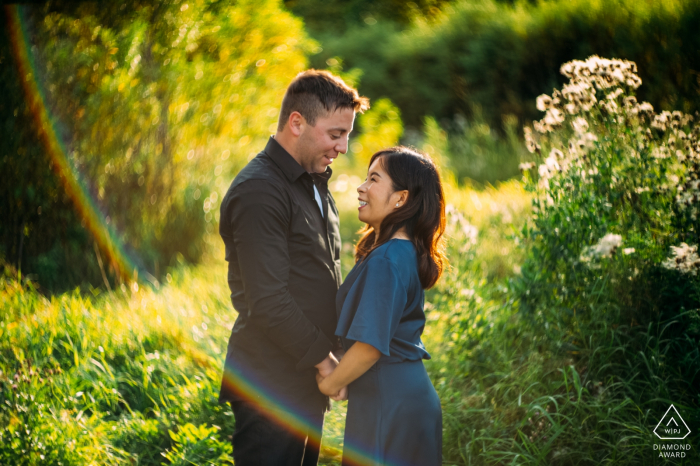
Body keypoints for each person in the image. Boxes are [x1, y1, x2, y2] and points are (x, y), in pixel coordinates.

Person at [218, 70, 369, 465]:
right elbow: (268, 300)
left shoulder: (313, 182)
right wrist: (327, 361)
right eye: (335, 134)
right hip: (270, 384)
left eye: (347, 135)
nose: (343, 147)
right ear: (296, 122)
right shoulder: (259, 190)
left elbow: (319, 276)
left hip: (305, 381)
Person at [316, 147, 446, 466]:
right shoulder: (397, 253)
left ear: (400, 198)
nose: (361, 187)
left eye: (374, 179)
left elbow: (370, 347)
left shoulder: (387, 260)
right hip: (400, 397)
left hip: (389, 401)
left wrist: (331, 383)